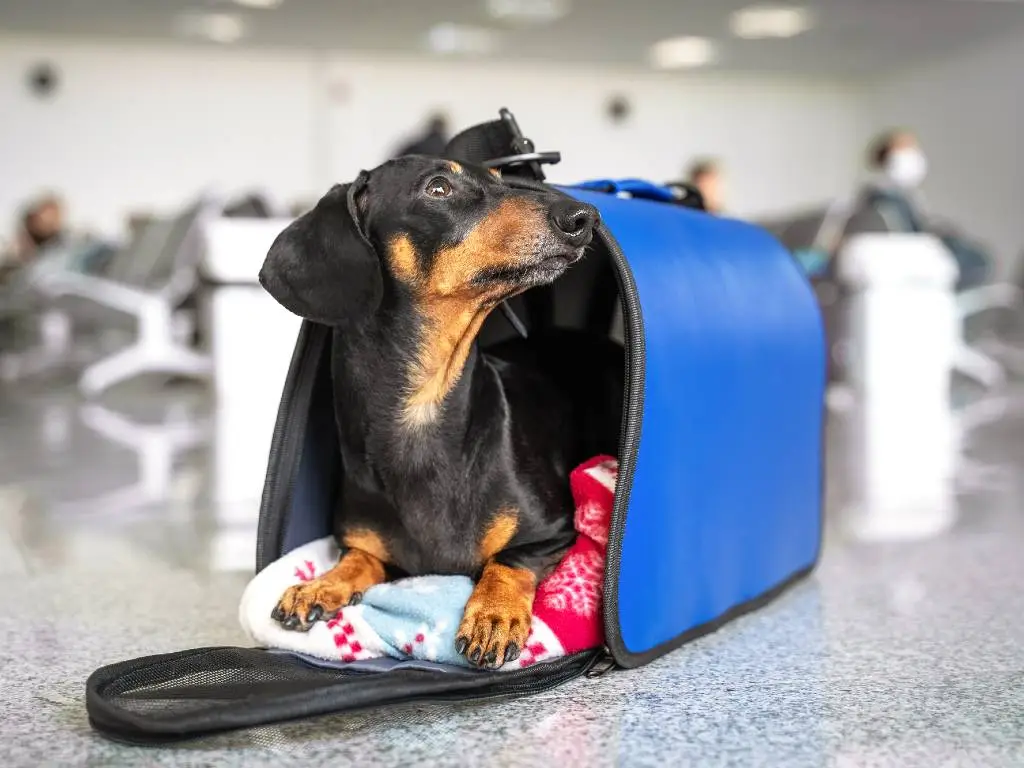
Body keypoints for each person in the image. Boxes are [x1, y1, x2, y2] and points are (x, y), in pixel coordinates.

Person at [846, 128, 990, 291]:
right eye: (907, 149)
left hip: (922, 250)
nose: (915, 156)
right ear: (890, 157)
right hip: (912, 255)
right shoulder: (882, 198)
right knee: (977, 261)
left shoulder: (901, 196)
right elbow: (905, 236)